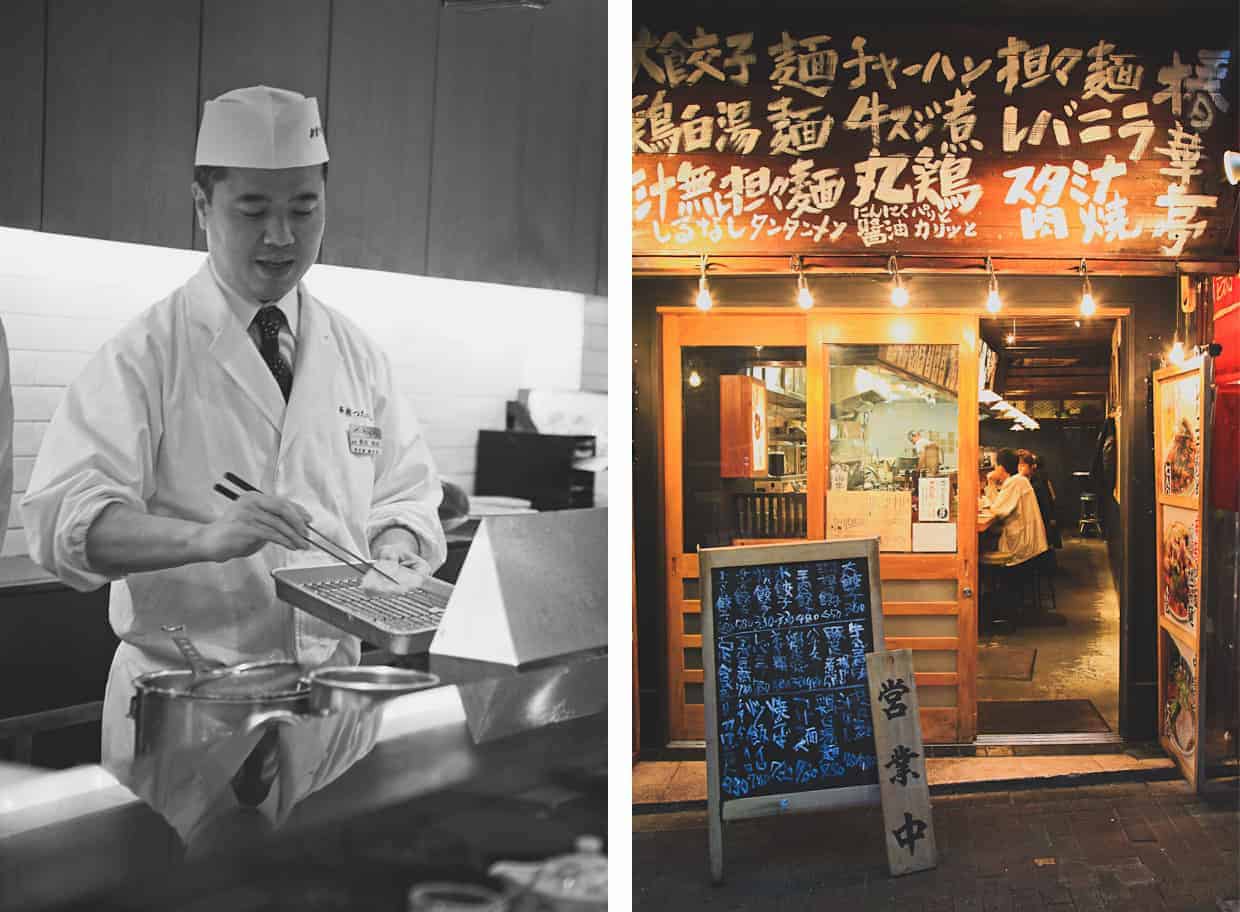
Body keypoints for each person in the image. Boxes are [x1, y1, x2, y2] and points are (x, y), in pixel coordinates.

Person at [21, 86, 446, 771]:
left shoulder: (358, 356)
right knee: (183, 879)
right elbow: (62, 524)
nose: (281, 235)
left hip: (333, 705)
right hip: (190, 706)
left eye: (303, 209)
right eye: (253, 210)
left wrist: (395, 550)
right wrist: (204, 538)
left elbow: (406, 493)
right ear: (202, 208)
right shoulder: (146, 353)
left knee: (335, 877)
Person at [978, 448, 1048, 567]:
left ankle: (992, 583)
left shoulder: (1015, 482)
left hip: (1022, 546)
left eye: (996, 466)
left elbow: (997, 510)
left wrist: (990, 482)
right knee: (990, 538)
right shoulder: (1019, 480)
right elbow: (999, 503)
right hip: (1031, 543)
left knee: (980, 548)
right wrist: (992, 484)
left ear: (1000, 467)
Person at [1019, 450, 1062, 550]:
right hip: (1042, 524)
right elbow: (1052, 496)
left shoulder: (1036, 482)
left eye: (1022, 465)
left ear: (1032, 466)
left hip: (1040, 525)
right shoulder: (1035, 479)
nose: (1019, 468)